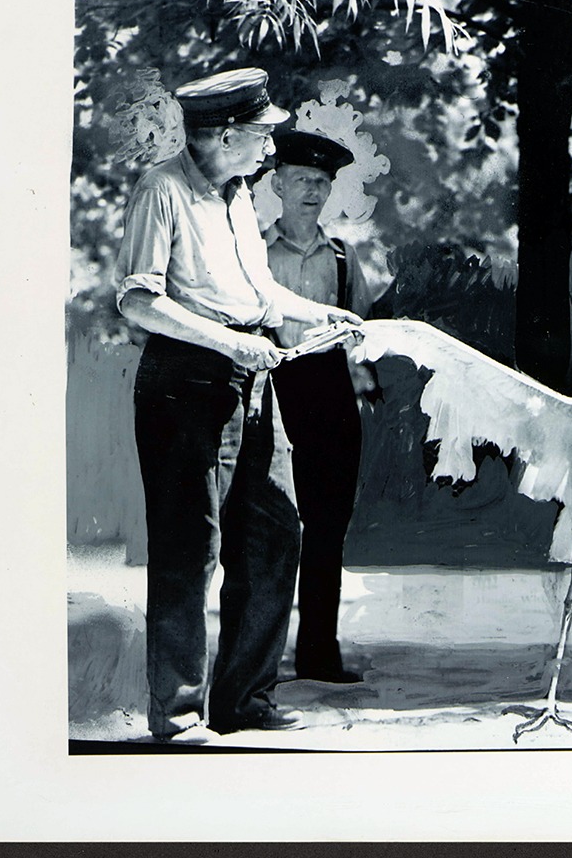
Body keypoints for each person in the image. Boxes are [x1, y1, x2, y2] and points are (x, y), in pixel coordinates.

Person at [114, 67, 362, 741]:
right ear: (226, 135)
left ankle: (245, 702)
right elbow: (138, 298)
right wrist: (228, 342)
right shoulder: (161, 190)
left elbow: (261, 297)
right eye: (261, 137)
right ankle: (178, 715)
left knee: (278, 536)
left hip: (251, 378)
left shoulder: (236, 196)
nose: (269, 149)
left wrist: (324, 315)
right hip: (185, 381)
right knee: (188, 550)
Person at [262, 129, 371, 683]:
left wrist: (362, 379)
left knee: (328, 528)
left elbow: (362, 333)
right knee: (269, 528)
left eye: (323, 182)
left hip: (330, 397)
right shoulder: (254, 251)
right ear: (277, 184)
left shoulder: (343, 256)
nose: (313, 191)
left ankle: (318, 655)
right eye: (303, 179)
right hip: (273, 391)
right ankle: (257, 658)